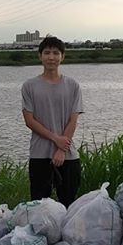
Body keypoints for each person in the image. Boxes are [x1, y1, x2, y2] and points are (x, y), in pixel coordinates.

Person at [21, 36, 83, 207]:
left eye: (56, 53)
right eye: (47, 52)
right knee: (39, 206)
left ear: (62, 57)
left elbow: (73, 119)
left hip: (68, 155)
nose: (51, 57)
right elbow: (29, 120)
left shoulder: (72, 85)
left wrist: (62, 150)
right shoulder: (29, 86)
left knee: (70, 205)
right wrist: (56, 140)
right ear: (40, 56)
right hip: (39, 154)